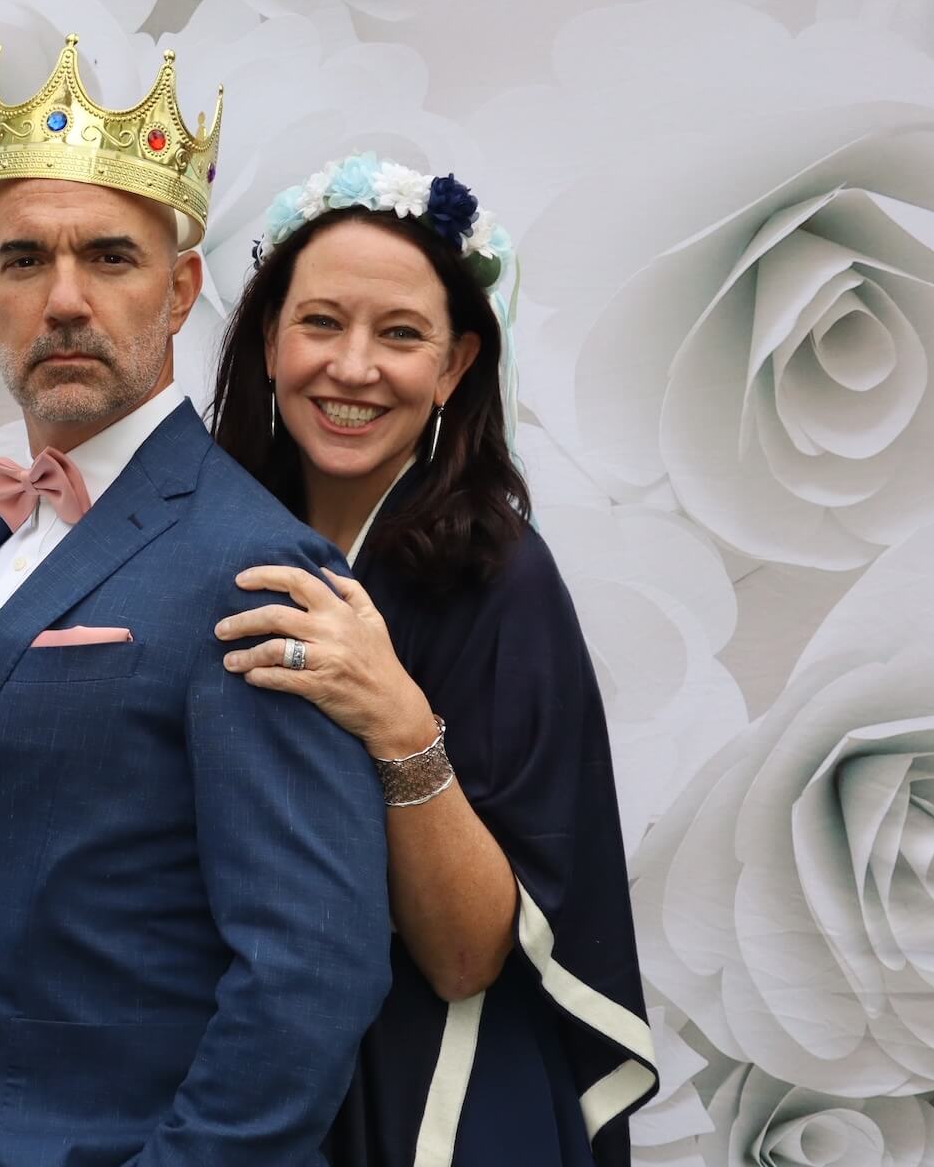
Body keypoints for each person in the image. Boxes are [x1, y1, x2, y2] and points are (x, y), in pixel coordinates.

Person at [0, 39, 392, 1166]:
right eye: (26, 260)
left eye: (111, 257)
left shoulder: (254, 561)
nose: (66, 299)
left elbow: (311, 965)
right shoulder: (1, 545)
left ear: (179, 291)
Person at [206, 153, 658, 1166]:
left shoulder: (503, 581)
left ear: (454, 365)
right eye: (321, 321)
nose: (354, 367)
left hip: (437, 1091)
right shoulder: (207, 543)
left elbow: (464, 958)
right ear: (270, 340)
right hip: (242, 1076)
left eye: (401, 334)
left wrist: (397, 718)